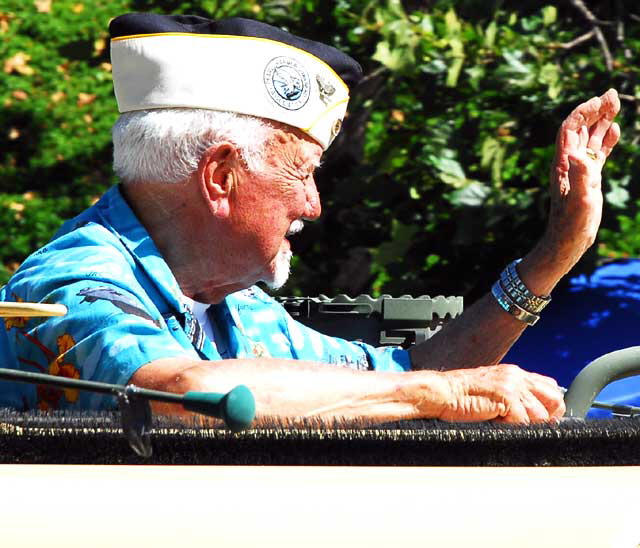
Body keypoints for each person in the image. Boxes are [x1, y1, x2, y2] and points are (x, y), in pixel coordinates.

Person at [0, 13, 620, 424]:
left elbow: (409, 374)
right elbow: (186, 395)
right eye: (303, 171)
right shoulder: (74, 285)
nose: (314, 204)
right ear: (220, 177)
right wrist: (435, 396)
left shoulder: (232, 305)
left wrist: (551, 259)